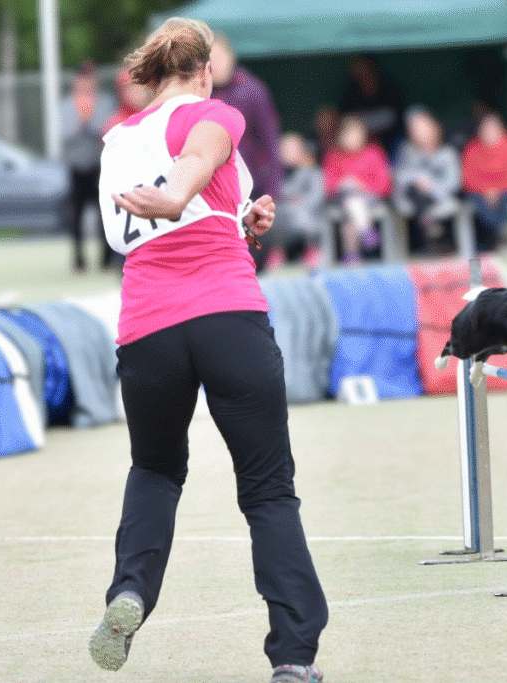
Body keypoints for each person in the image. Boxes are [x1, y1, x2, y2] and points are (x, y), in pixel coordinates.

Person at [91, 18, 328, 683]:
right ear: (202, 71)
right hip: (227, 317)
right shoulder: (213, 111)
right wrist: (177, 197)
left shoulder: (118, 139)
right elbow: (198, 153)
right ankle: (293, 654)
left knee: (156, 469)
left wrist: (238, 217)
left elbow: (143, 229)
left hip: (147, 326)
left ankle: (129, 590)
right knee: (267, 488)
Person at [209, 32, 284, 269]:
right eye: (211, 59)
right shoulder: (200, 94)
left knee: (251, 255)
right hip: (212, 186)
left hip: (250, 184)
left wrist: (273, 189)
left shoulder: (252, 90)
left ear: (231, 57)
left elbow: (271, 142)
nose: (217, 64)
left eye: (221, 57)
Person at [60, 61, 117, 272]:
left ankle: (107, 259)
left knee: (105, 214)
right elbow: (64, 134)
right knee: (76, 215)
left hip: (99, 166)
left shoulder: (105, 102)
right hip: (76, 167)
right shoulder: (66, 104)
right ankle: (78, 260)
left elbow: (108, 130)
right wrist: (80, 120)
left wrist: (89, 120)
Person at [322, 115, 392, 265]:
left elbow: (384, 185)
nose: (352, 139)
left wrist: (361, 185)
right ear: (340, 136)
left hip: (369, 198)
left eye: (356, 134)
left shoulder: (374, 153)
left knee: (352, 209)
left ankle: (352, 254)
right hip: (341, 199)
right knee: (350, 203)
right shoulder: (333, 155)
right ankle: (366, 232)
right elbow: (328, 186)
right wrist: (343, 183)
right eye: (348, 135)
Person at [392, 106, 461, 254]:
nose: (419, 132)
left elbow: (454, 183)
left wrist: (430, 185)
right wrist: (418, 179)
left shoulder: (447, 153)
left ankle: (433, 235)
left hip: (438, 196)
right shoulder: (405, 150)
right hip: (412, 196)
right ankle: (430, 229)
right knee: (415, 190)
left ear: (433, 127)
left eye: (422, 128)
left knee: (422, 194)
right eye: (414, 129)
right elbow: (397, 175)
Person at [461, 112, 507, 252]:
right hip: (479, 193)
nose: (489, 133)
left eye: (493, 129)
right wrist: (487, 190)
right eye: (485, 129)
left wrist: (497, 189)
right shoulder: (471, 149)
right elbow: (468, 179)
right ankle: (489, 242)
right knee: (476, 206)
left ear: (501, 130)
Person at [273, 132, 326, 267]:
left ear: (301, 151)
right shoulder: (273, 174)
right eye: (285, 150)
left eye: (292, 150)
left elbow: (317, 196)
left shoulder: (313, 171)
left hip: (308, 213)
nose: (288, 153)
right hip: (280, 212)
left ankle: (311, 250)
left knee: (300, 213)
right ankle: (276, 252)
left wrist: (299, 203)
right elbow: (272, 195)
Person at [337, 55, 406, 159]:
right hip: (357, 133)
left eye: (363, 68)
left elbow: (394, 115)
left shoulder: (387, 86)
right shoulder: (351, 89)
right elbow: (346, 117)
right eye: (357, 70)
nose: (361, 73)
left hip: (388, 134)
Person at [103, 68, 152, 134]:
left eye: (141, 86)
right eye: (132, 87)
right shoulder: (116, 124)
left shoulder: (154, 117)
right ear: (122, 92)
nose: (139, 92)